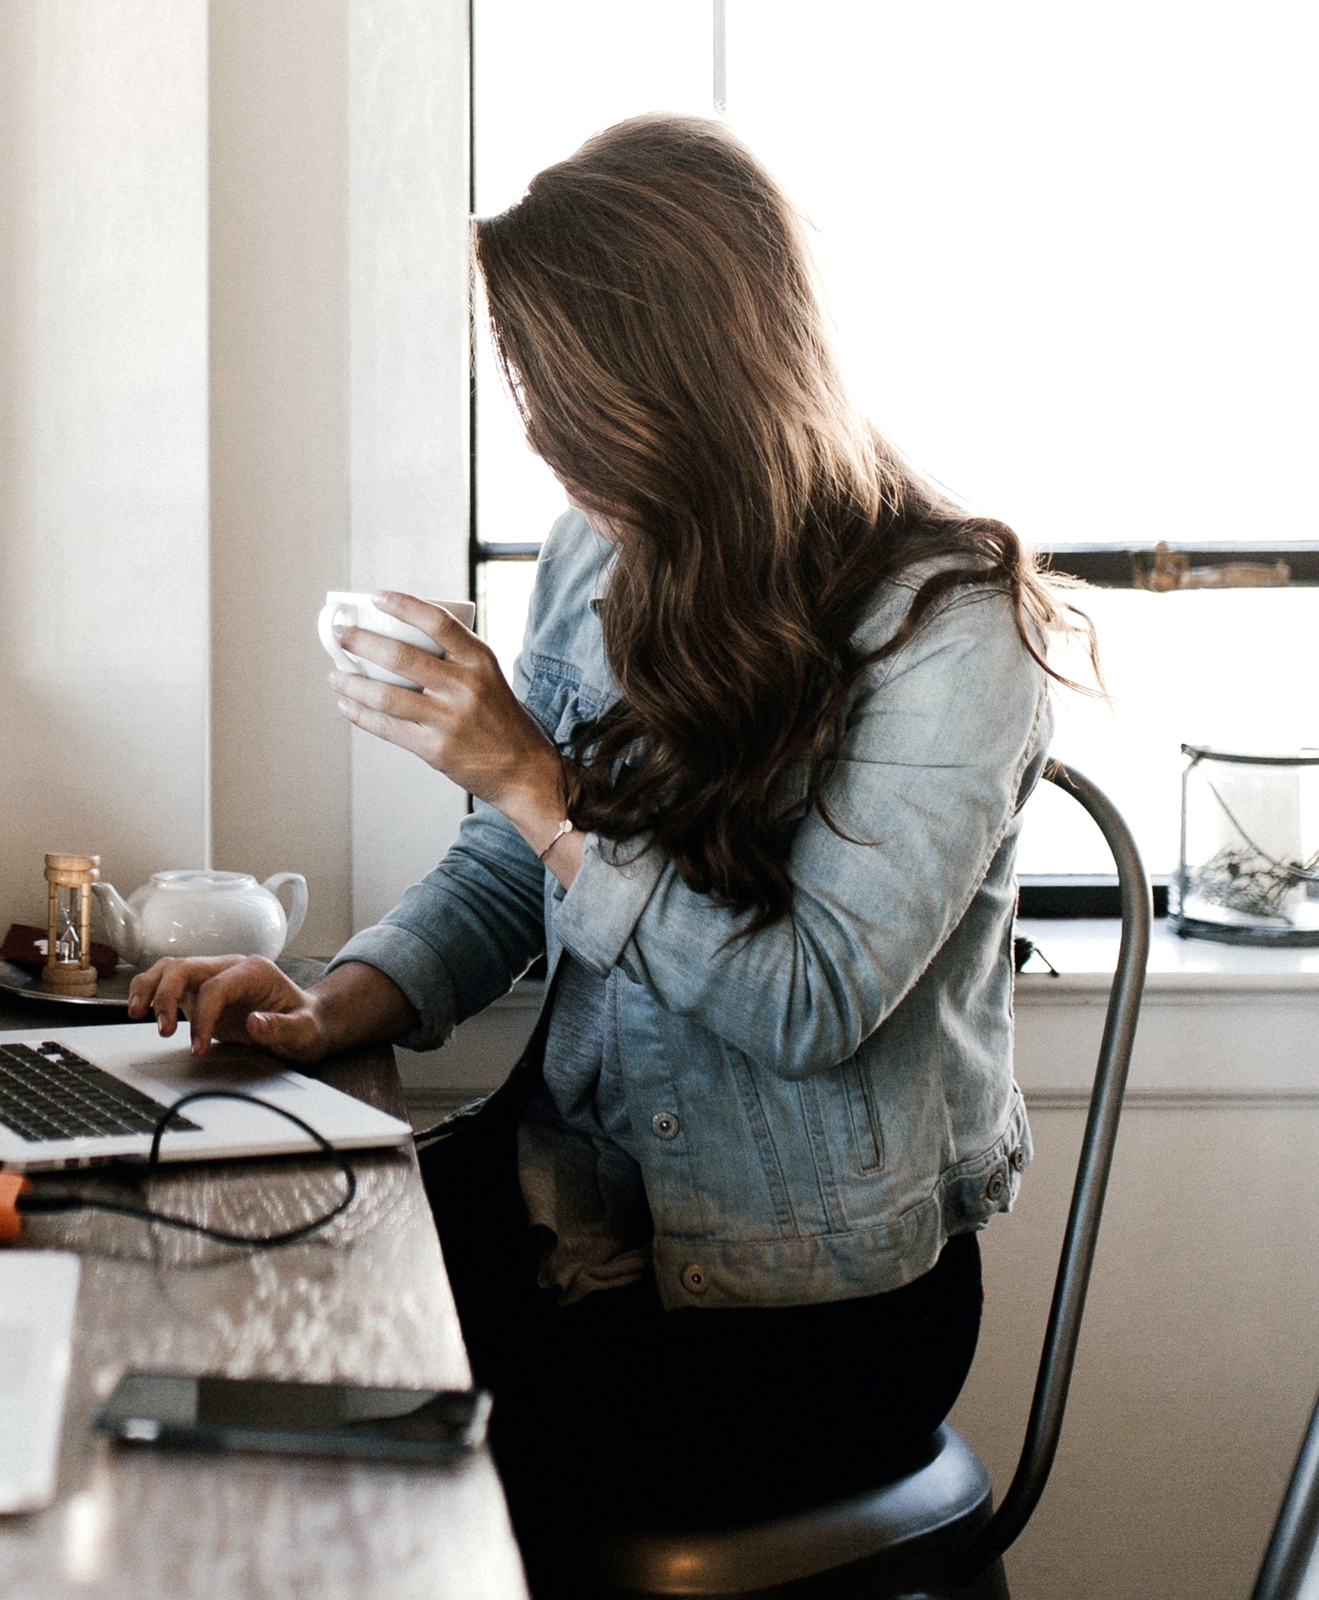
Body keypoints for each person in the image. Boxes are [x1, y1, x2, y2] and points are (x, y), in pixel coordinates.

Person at [127, 113, 1092, 1547]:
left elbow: (808, 1000)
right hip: (572, 1210)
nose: (533, 425)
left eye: (552, 385)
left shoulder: (951, 628)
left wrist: (532, 775)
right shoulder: (605, 543)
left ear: (679, 375)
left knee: (334, 1471)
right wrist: (336, 1005)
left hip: (804, 1314)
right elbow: (515, 864)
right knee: (206, 1300)